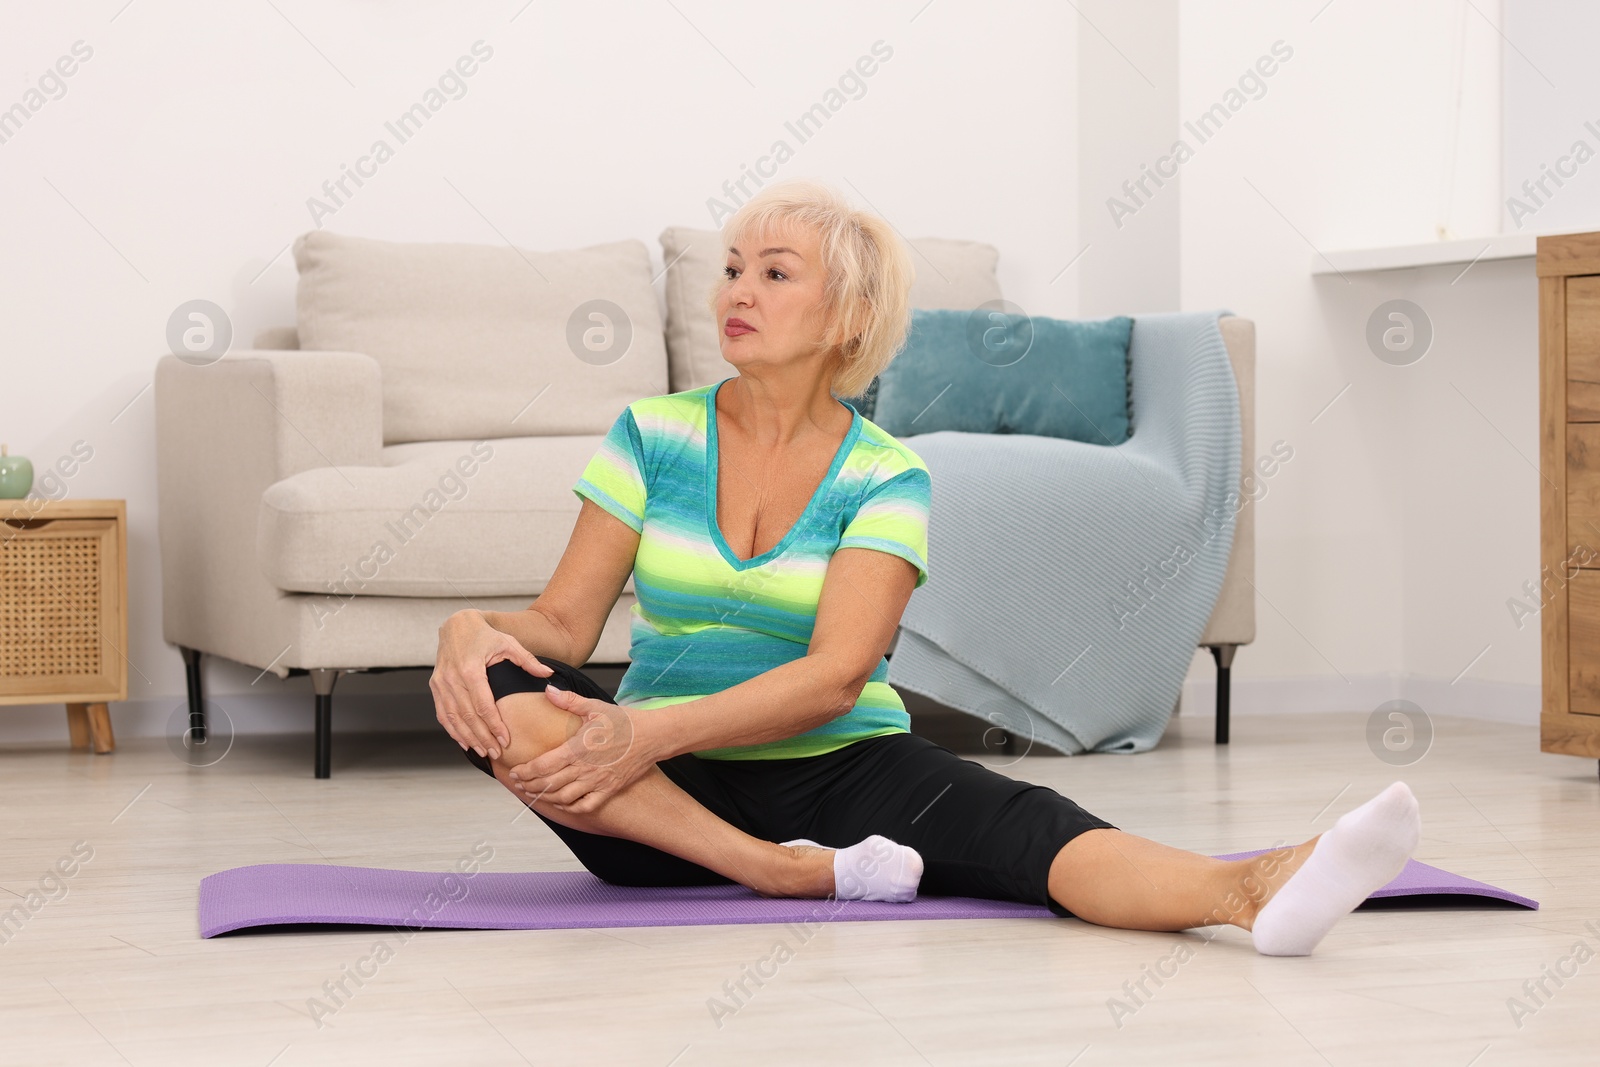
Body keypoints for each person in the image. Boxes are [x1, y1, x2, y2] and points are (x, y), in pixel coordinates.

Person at [430, 178, 1421, 955]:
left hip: (835, 769)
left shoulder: (884, 472)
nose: (736, 290)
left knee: (1027, 825)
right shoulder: (651, 432)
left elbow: (834, 677)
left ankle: (1251, 890)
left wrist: (640, 728)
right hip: (648, 800)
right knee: (500, 684)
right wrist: (474, 632)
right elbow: (561, 626)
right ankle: (771, 870)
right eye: (732, 268)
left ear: (846, 319)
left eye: (774, 273)